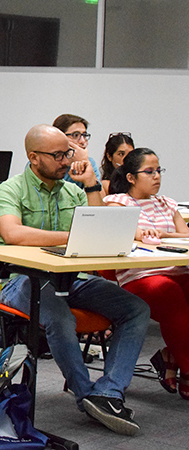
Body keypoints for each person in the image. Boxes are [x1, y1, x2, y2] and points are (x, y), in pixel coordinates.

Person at [0, 124, 149, 436]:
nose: (66, 161)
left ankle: (108, 392)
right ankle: (86, 395)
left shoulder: (73, 191)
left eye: (68, 153)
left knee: (136, 309)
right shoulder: (10, 189)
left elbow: (102, 229)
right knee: (60, 317)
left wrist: (92, 184)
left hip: (72, 278)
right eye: (58, 155)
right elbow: (12, 233)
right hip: (22, 280)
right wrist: (70, 236)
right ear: (33, 157)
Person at [104, 147, 189, 399]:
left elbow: (185, 235)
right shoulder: (118, 203)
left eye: (159, 171)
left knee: (177, 289)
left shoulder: (167, 203)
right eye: (149, 172)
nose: (157, 177)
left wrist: (163, 234)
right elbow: (119, 235)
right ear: (131, 177)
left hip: (176, 268)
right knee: (168, 291)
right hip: (141, 276)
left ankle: (172, 356)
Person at [52, 114, 103, 193]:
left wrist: (86, 164)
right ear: (58, 137)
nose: (83, 141)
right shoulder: (44, 161)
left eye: (84, 135)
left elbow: (99, 202)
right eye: (75, 135)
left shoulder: (89, 162)